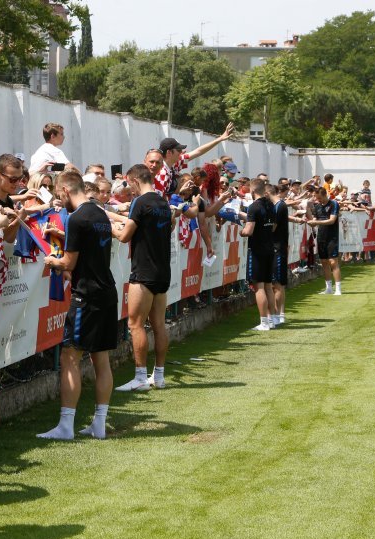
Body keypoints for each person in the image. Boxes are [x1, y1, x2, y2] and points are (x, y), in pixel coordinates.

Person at [37, 171, 117, 440]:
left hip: (87, 296)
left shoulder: (77, 217)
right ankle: (99, 423)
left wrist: (52, 261)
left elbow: (67, 263)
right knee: (101, 359)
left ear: (64, 189)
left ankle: (66, 426)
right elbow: (88, 248)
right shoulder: (98, 213)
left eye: (59, 193)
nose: (59, 198)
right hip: (107, 291)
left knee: (70, 356)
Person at [113, 165, 176, 391]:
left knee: (135, 324)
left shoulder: (140, 202)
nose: (129, 189)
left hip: (144, 271)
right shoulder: (163, 203)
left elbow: (124, 236)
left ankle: (140, 378)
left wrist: (109, 226)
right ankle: (158, 376)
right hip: (162, 271)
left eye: (129, 184)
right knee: (159, 325)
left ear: (135, 181)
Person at [155, 123, 235, 195]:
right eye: (178, 150)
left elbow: (198, 151)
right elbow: (159, 199)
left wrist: (220, 139)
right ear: (169, 153)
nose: (181, 152)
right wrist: (181, 192)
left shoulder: (175, 164)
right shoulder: (161, 172)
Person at [241, 179, 277, 330]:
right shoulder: (271, 205)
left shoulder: (253, 207)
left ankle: (263, 323)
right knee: (268, 286)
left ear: (252, 191)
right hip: (270, 248)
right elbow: (274, 227)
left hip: (257, 250)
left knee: (259, 287)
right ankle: (272, 319)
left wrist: (241, 231)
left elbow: (248, 231)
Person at [267, 184, 304, 325]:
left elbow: (272, 228)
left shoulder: (278, 206)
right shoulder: (280, 205)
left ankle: (277, 316)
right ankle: (279, 315)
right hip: (279, 247)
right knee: (278, 283)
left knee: (276, 283)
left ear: (267, 193)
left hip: (277, 248)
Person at [307, 187, 342, 295]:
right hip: (321, 237)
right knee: (324, 262)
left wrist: (317, 222)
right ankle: (328, 288)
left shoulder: (333, 204)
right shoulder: (317, 206)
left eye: (320, 198)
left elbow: (332, 221)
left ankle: (338, 289)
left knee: (333, 262)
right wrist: (310, 221)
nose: (318, 200)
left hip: (332, 237)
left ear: (325, 195)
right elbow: (316, 219)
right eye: (317, 198)